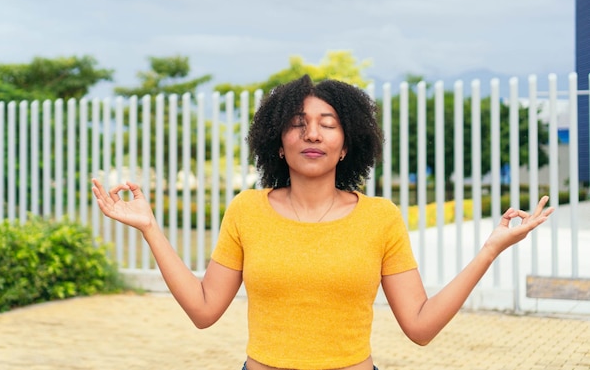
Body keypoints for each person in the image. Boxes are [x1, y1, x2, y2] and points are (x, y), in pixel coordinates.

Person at [91, 74, 554, 370]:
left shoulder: (380, 218)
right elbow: (204, 310)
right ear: (277, 142)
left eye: (328, 123)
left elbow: (420, 326)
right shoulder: (246, 209)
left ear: (347, 145)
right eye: (298, 122)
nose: (312, 132)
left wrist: (489, 249)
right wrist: (151, 228)